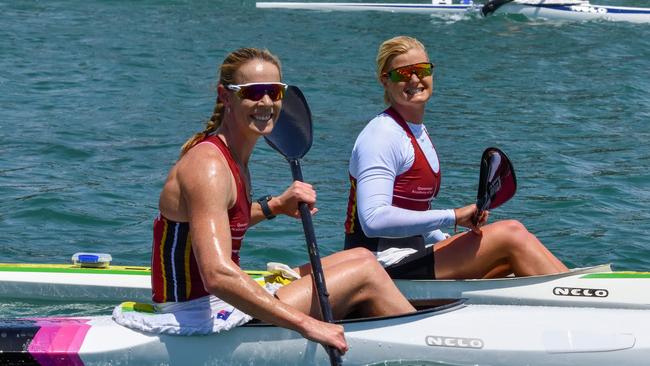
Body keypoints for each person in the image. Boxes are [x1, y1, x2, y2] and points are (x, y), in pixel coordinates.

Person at [113, 47, 415, 355]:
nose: (267, 103)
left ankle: (394, 330)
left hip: (216, 303)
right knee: (365, 273)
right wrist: (307, 324)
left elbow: (220, 219)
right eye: (254, 92)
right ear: (225, 96)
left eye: (274, 91)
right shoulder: (209, 166)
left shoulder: (232, 157)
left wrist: (274, 206)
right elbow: (216, 274)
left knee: (362, 257)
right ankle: (420, 341)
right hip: (198, 312)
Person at [343, 36, 568, 280]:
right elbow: (373, 220)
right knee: (510, 233)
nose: (415, 79)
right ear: (385, 81)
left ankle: (576, 284)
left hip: (409, 256)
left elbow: (413, 217)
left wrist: (449, 239)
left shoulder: (417, 132)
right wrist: (454, 216)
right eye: (403, 73)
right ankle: (581, 293)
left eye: (422, 70)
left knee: (504, 256)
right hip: (377, 268)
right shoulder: (382, 135)